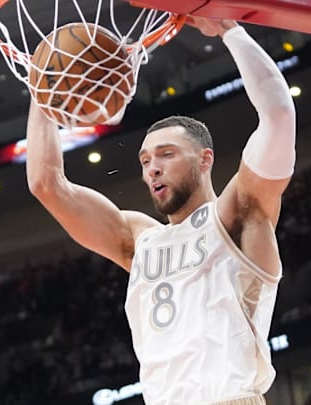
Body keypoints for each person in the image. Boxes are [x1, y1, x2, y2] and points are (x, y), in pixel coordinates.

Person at [25, 16, 296, 405]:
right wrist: (44, 89)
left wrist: (229, 31)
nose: (152, 167)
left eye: (166, 154)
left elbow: (278, 117)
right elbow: (46, 185)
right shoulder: (139, 240)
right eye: (145, 159)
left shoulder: (237, 215)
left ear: (205, 159)